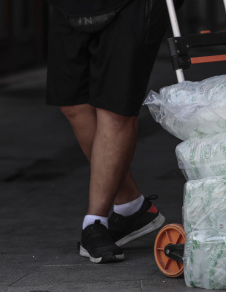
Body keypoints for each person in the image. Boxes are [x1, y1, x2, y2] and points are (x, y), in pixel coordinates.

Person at [46, 0, 177, 263]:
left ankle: (94, 223)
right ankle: (131, 206)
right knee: (73, 104)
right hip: (68, 7)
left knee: (116, 109)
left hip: (133, 6)